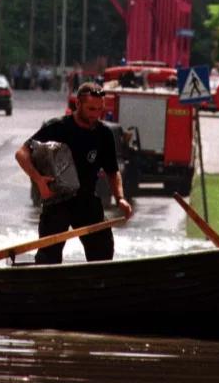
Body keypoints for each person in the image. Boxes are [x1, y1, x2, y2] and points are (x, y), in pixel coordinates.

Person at [15, 82, 134, 264]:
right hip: (57, 200)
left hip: (86, 201)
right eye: (91, 109)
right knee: (49, 256)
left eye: (99, 110)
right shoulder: (57, 127)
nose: (95, 115)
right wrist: (39, 181)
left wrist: (120, 198)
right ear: (78, 104)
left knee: (103, 252)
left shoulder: (104, 134)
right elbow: (22, 154)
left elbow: (112, 171)